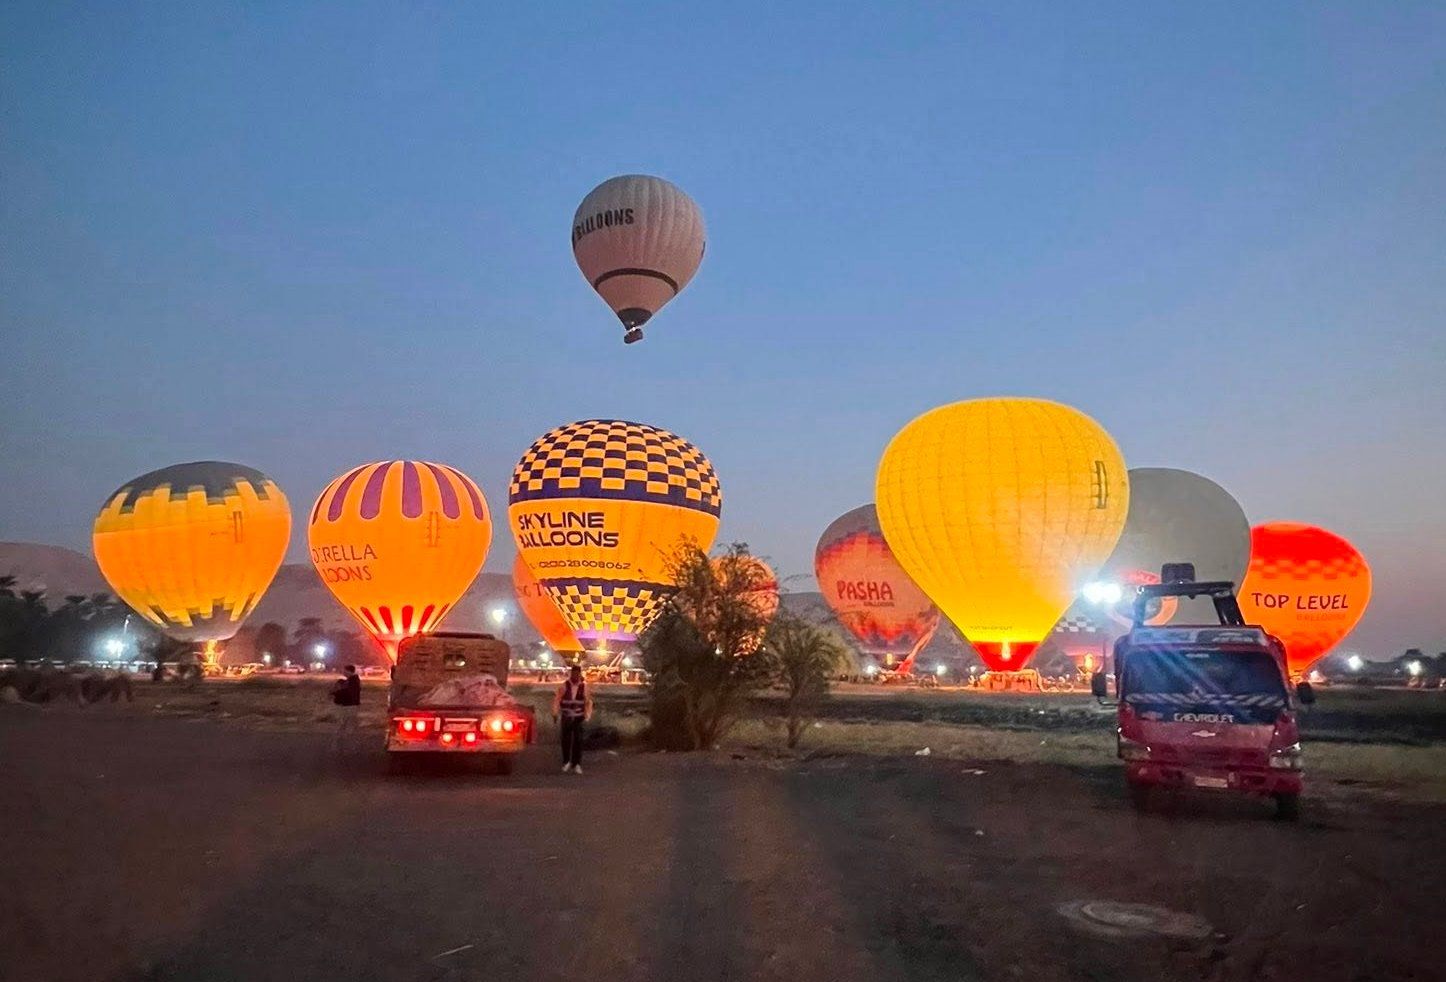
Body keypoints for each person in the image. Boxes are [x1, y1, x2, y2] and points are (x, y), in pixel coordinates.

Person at [551, 664, 593, 774]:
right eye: (573, 673)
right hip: (566, 717)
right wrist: (555, 713)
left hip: (578, 718)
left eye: (577, 674)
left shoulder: (584, 687)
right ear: (571, 674)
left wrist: (587, 716)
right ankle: (566, 762)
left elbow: (588, 703)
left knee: (578, 741)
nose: (575, 676)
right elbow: (557, 700)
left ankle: (576, 764)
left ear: (579, 674)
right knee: (566, 741)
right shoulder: (564, 686)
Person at [331, 664, 362, 751]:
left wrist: (336, 693)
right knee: (348, 725)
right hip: (350, 706)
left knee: (345, 725)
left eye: (345, 670)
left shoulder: (352, 682)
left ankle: (347, 746)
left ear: (349, 671)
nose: (343, 672)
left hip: (349, 706)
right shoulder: (352, 681)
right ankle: (350, 746)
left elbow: (347, 693)